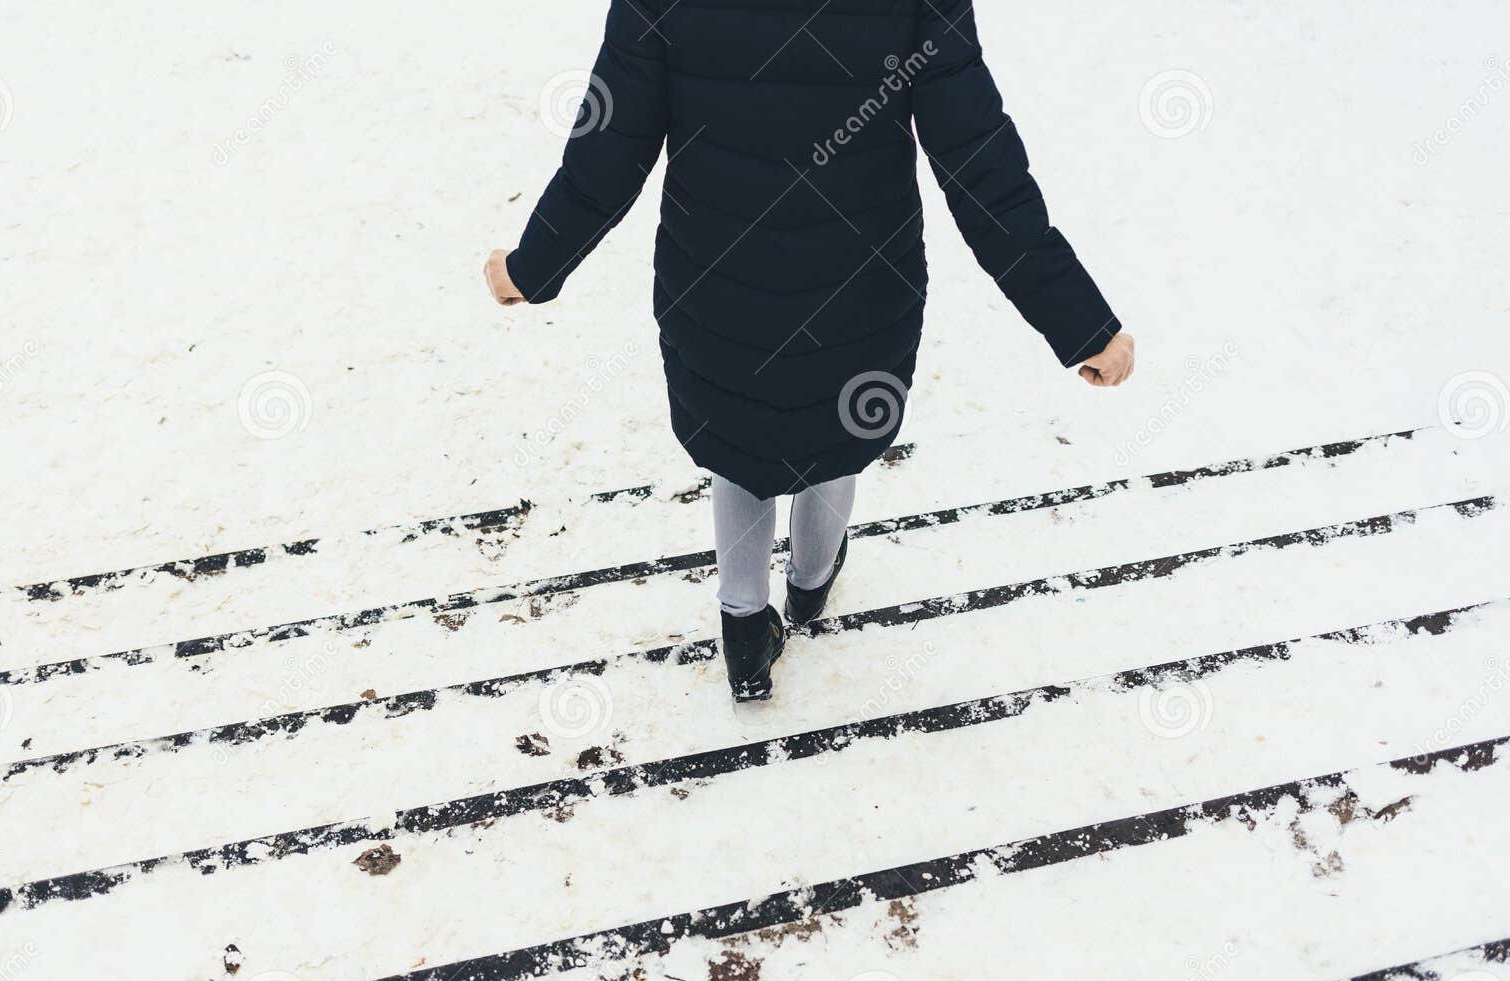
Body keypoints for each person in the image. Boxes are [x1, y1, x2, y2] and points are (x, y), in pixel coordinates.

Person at [486, 0, 1135, 701]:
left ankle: (743, 626)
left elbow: (607, 147)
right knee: (840, 419)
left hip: (715, 271)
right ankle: (812, 580)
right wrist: (1079, 321)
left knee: (736, 432)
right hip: (859, 277)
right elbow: (980, 160)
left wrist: (534, 265)